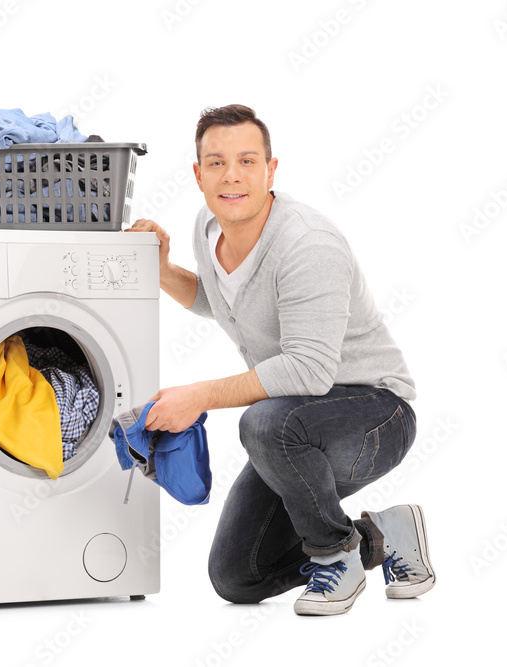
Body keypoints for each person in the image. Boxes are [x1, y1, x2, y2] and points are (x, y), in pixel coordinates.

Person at [125, 105, 435, 616]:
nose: (232, 176)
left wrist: (197, 396)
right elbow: (218, 300)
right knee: (238, 577)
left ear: (271, 170)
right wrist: (159, 269)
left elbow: (308, 372)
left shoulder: (306, 245)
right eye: (217, 162)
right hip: (298, 420)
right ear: (198, 175)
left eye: (247, 160)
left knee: (264, 423)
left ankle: (335, 556)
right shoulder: (209, 226)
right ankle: (383, 536)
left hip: (375, 415)